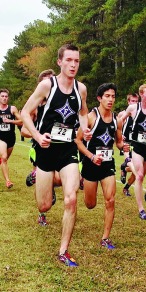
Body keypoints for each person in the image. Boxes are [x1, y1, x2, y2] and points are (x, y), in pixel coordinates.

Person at [21, 44, 91, 267]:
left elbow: (83, 112)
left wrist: (84, 128)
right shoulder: (46, 86)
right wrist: (37, 135)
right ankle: (44, 183)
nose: (73, 65)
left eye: (76, 61)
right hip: (46, 149)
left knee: (71, 199)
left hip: (68, 150)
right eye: (69, 60)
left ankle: (63, 251)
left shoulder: (81, 89)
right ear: (59, 62)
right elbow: (24, 112)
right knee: (44, 206)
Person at [75, 83, 129, 249]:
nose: (111, 99)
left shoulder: (117, 120)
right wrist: (91, 156)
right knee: (90, 205)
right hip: (91, 164)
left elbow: (118, 141)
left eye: (113, 96)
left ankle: (105, 238)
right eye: (107, 96)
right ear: (99, 98)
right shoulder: (91, 117)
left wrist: (122, 146)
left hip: (107, 165)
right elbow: (77, 140)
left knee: (110, 200)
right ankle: (83, 182)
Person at [21, 69, 60, 226]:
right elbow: (24, 129)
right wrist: (38, 135)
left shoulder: (59, 103)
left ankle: (47, 186)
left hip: (58, 148)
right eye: (46, 81)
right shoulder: (36, 107)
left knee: (57, 178)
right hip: (39, 148)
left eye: (52, 80)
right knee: (43, 182)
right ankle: (41, 213)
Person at [122, 84, 146, 220]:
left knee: (141, 175)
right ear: (141, 94)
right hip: (137, 146)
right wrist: (119, 134)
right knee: (140, 175)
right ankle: (141, 209)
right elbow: (121, 119)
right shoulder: (133, 108)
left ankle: (125, 170)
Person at [117, 93, 139, 196]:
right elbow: (116, 126)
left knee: (138, 168)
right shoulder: (122, 114)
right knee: (133, 164)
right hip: (125, 143)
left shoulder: (139, 113)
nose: (134, 103)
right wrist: (120, 135)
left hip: (136, 143)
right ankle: (124, 167)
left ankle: (126, 186)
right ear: (128, 102)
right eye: (132, 101)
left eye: (136, 101)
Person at [0, 88, 22, 188]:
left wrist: (10, 121)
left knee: (4, 160)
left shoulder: (12, 109)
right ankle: (8, 181)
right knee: (4, 157)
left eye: (6, 96)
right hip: (1, 137)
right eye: (2, 96)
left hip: (11, 138)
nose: (4, 98)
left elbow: (21, 121)